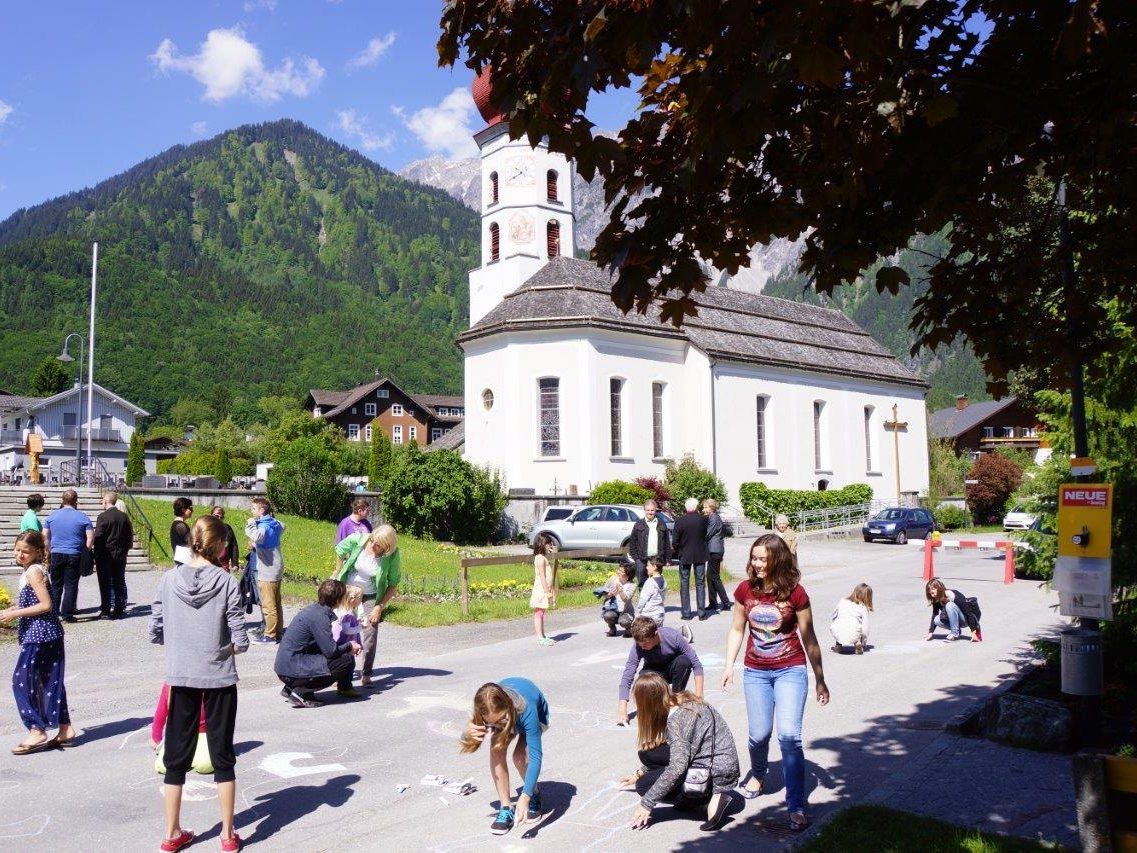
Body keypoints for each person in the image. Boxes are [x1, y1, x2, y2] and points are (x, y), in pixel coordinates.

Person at [148, 515, 248, 853]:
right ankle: (228, 834)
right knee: (223, 755)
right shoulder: (226, 581)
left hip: (181, 675)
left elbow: (156, 628)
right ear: (218, 546)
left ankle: (171, 832)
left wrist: (177, 641)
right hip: (219, 676)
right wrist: (232, 646)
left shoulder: (168, 579)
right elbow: (239, 635)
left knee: (175, 756)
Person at [722, 533, 829, 832]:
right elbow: (737, 629)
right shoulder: (745, 590)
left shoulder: (796, 593)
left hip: (790, 669)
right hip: (756, 671)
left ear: (777, 560)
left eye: (762, 559)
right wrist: (729, 665)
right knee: (759, 735)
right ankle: (758, 774)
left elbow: (809, 637)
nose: (756, 564)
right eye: (754, 558)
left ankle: (795, 804)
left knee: (789, 737)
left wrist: (820, 678)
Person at [622, 671, 739, 832]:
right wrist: (639, 772)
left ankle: (702, 800)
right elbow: (678, 752)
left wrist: (647, 804)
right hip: (719, 760)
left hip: (713, 772)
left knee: (644, 786)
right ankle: (694, 798)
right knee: (648, 754)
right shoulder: (683, 699)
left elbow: (678, 766)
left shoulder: (677, 721)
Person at [1, 531, 78, 754]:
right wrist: (15, 608)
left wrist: (15, 614)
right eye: (17, 550)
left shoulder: (34, 572)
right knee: (50, 680)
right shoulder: (32, 570)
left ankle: (37, 729)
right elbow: (36, 601)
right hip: (48, 633)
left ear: (37, 552)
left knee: (21, 681)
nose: (20, 554)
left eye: (25, 551)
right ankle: (65, 729)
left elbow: (46, 605)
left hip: (40, 635)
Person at [459, 678, 551, 836]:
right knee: (496, 750)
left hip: (534, 715)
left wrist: (525, 796)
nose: (500, 724)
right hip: (509, 714)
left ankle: (534, 794)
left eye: (502, 718)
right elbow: (469, 742)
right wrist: (466, 733)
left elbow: (536, 757)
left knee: (520, 757)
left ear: (507, 703)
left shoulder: (527, 708)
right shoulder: (486, 708)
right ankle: (506, 807)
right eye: (493, 723)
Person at [274, 579, 361, 706]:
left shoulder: (314, 609)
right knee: (346, 660)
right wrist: (349, 646)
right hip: (290, 668)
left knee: (338, 652)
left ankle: (291, 687)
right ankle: (301, 692)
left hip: (285, 666)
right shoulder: (321, 617)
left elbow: (324, 645)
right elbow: (331, 652)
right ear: (338, 600)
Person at [333, 525, 401, 685]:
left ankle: (366, 673)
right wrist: (337, 570)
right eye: (373, 542)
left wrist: (379, 607)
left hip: (370, 595)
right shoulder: (360, 539)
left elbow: (393, 584)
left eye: (379, 546)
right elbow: (339, 549)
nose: (374, 546)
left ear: (388, 547)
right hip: (349, 592)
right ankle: (338, 672)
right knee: (340, 629)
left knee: (371, 629)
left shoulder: (392, 555)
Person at [617, 617, 704, 725]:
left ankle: (676, 700)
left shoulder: (673, 636)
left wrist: (699, 698)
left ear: (655, 634)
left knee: (684, 661)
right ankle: (657, 705)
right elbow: (628, 675)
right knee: (644, 678)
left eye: (645, 643)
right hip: (654, 672)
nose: (642, 647)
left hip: (673, 670)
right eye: (639, 644)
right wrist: (622, 711)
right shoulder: (639, 646)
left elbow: (696, 665)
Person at [43, 489, 94, 622]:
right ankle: (67, 614)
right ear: (76, 501)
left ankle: (53, 613)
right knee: (71, 585)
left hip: (56, 553)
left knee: (56, 585)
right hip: (74, 554)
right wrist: (85, 551)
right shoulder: (83, 517)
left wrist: (49, 549)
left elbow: (45, 536)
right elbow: (90, 538)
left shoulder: (52, 516)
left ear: (62, 500)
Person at [245, 498, 285, 644]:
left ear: (261, 510)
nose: (252, 511)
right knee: (276, 602)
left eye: (254, 508)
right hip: (276, 567)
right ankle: (278, 633)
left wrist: (251, 523)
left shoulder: (263, 526)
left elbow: (256, 536)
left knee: (268, 605)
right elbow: (283, 526)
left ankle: (270, 636)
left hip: (267, 570)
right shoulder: (274, 523)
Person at [93, 490, 133, 619]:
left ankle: (105, 610)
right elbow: (129, 536)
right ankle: (119, 609)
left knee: (104, 583)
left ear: (106, 501)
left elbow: (98, 537)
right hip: (120, 555)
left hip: (105, 555)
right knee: (119, 582)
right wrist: (125, 550)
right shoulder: (124, 516)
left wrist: (96, 554)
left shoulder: (103, 516)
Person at [672, 497, 709, 621]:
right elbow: (706, 535)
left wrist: (679, 550)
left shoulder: (680, 521)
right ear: (696, 507)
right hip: (700, 554)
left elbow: (675, 541)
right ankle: (701, 613)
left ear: (686, 508)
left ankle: (686, 613)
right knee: (700, 583)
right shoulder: (703, 520)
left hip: (685, 554)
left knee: (684, 583)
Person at [628, 500, 671, 588]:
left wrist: (667, 559)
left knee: (656, 585)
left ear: (655, 510)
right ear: (645, 510)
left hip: (657, 559)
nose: (650, 512)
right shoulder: (639, 524)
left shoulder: (661, 523)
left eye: (652, 510)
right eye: (648, 510)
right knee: (642, 584)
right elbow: (632, 543)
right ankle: (643, 597)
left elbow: (666, 542)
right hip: (641, 560)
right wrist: (636, 559)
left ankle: (655, 598)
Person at [924, 578, 982, 642]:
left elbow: (968, 613)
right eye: (930, 594)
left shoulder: (953, 595)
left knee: (949, 605)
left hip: (965, 620)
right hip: (956, 620)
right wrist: (930, 633)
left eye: (932, 593)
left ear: (938, 588)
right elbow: (935, 614)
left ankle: (954, 633)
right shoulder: (936, 598)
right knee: (936, 620)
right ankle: (957, 630)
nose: (932, 596)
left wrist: (974, 632)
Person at [702, 499, 731, 613]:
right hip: (712, 550)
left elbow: (708, 533)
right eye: (704, 507)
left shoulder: (714, 518)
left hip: (715, 550)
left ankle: (726, 602)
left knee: (714, 576)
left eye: (706, 507)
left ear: (712, 508)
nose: (703, 509)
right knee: (709, 576)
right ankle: (713, 603)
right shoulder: (711, 517)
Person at [529, 533, 557, 646]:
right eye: (548, 543)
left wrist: (554, 552)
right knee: (539, 612)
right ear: (542, 544)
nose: (550, 545)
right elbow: (542, 576)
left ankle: (543, 635)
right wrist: (547, 592)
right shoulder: (540, 558)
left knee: (541, 612)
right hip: (541, 590)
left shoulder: (543, 557)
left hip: (544, 589)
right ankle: (540, 637)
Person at [830, 583, 873, 654]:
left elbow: (833, 615)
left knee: (840, 623)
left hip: (837, 631)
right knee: (857, 627)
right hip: (853, 633)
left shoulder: (842, 601)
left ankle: (838, 646)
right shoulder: (863, 608)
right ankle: (857, 643)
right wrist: (864, 642)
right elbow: (865, 628)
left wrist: (837, 622)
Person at [600, 563, 636, 636]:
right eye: (619, 570)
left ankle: (628, 629)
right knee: (608, 616)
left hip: (626, 611)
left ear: (628, 575)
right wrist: (609, 594)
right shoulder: (612, 579)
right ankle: (612, 628)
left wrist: (620, 590)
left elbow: (626, 599)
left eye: (621, 571)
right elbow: (603, 592)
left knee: (624, 622)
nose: (618, 572)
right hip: (612, 608)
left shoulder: (632, 585)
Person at [211, 506, 240, 571]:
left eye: (221, 517)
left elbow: (233, 546)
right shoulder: (206, 528)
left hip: (223, 565)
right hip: (209, 564)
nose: (219, 519)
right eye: (216, 516)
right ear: (211, 516)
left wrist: (235, 563)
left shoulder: (227, 528)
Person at [170, 498, 193, 565]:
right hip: (184, 561)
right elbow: (191, 542)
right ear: (183, 510)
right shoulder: (181, 525)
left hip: (181, 560)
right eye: (190, 509)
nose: (192, 511)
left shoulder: (176, 523)